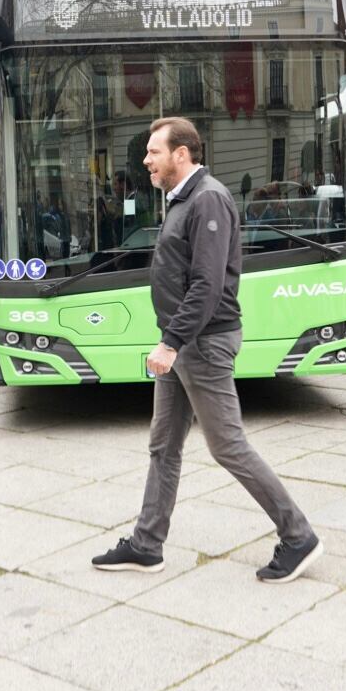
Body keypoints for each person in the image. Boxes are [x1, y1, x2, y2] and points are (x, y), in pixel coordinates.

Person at [93, 117, 323, 583]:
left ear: (182, 154)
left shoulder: (209, 198)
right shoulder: (183, 200)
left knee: (227, 445)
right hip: (183, 344)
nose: (146, 160)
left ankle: (298, 536)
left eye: (154, 152)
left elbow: (208, 284)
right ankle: (146, 544)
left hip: (203, 344)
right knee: (163, 445)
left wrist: (171, 342)